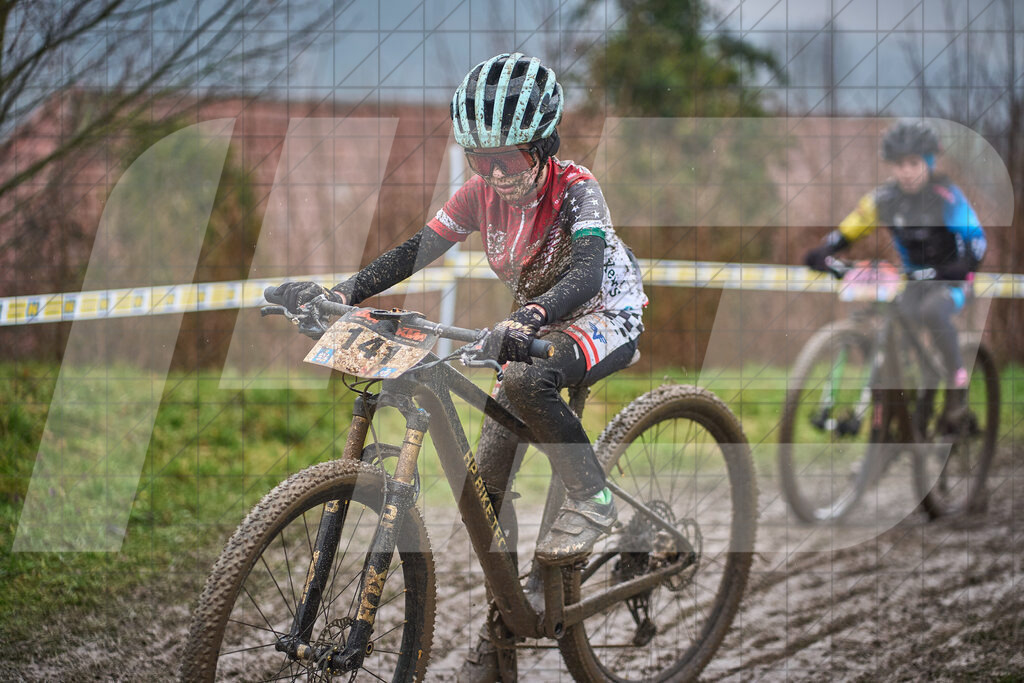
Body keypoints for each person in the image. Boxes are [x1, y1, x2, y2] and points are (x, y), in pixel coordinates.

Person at [272, 52, 647, 681]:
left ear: (544, 146)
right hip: (533, 324)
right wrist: (341, 295)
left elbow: (586, 273)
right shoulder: (480, 195)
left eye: (511, 159)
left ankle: (594, 497)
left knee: (526, 379)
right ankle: (505, 635)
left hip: (603, 312)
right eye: (481, 159)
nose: (496, 174)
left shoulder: (576, 188)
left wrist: (529, 318)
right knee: (485, 494)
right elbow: (415, 251)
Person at [804, 119, 987, 419]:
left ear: (929, 162)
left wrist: (959, 268)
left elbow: (977, 240)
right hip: (912, 280)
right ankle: (900, 396)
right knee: (892, 319)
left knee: (932, 311)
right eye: (900, 164)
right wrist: (823, 251)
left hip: (950, 282)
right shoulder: (885, 199)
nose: (906, 171)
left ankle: (957, 383)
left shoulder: (947, 197)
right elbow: (850, 229)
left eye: (914, 163)